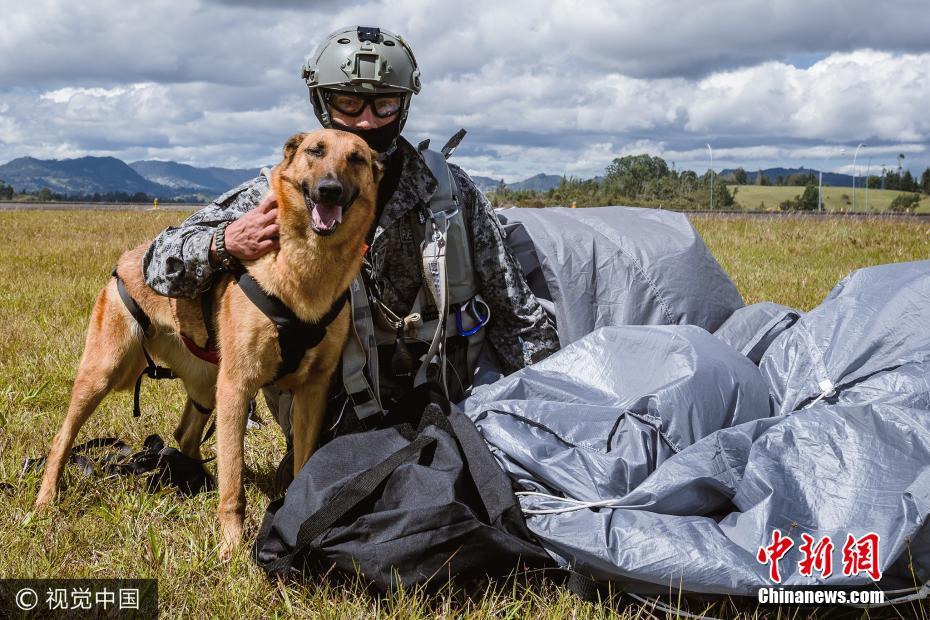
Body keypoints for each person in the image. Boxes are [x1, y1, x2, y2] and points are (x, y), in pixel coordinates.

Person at [142, 25, 558, 447]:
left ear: (404, 106)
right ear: (322, 102)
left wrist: (546, 407)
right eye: (348, 101)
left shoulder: (447, 191)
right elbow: (158, 265)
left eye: (385, 104)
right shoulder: (280, 189)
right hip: (332, 412)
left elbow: (516, 312)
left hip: (447, 397)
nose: (366, 119)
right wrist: (223, 243)